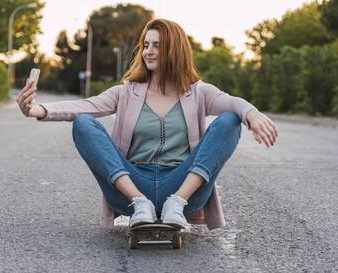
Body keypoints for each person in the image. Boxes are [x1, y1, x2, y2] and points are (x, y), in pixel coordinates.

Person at [16, 18, 277, 230]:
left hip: (183, 187)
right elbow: (83, 106)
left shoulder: (198, 92)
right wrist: (36, 110)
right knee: (83, 123)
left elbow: (232, 102)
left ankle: (177, 203)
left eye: (157, 46)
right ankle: (140, 203)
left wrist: (251, 113)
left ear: (174, 50)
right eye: (146, 45)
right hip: (132, 187)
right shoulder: (127, 91)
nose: (148, 51)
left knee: (231, 119)